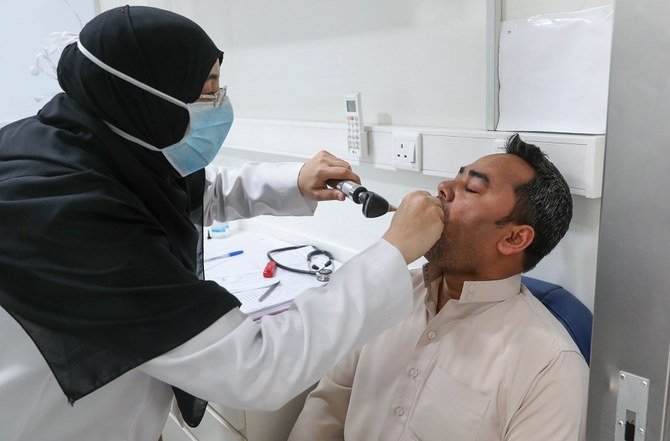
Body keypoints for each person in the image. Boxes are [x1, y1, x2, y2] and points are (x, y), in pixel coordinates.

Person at [0, 6, 444, 441]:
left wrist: (294, 181)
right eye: (208, 88)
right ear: (149, 96)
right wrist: (393, 252)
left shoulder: (80, 138)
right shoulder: (64, 213)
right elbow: (255, 367)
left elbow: (173, 193)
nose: (221, 102)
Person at [289, 134, 589, 441]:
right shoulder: (384, 295)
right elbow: (330, 403)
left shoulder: (550, 368)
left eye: (471, 188)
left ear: (514, 239)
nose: (443, 189)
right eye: (455, 178)